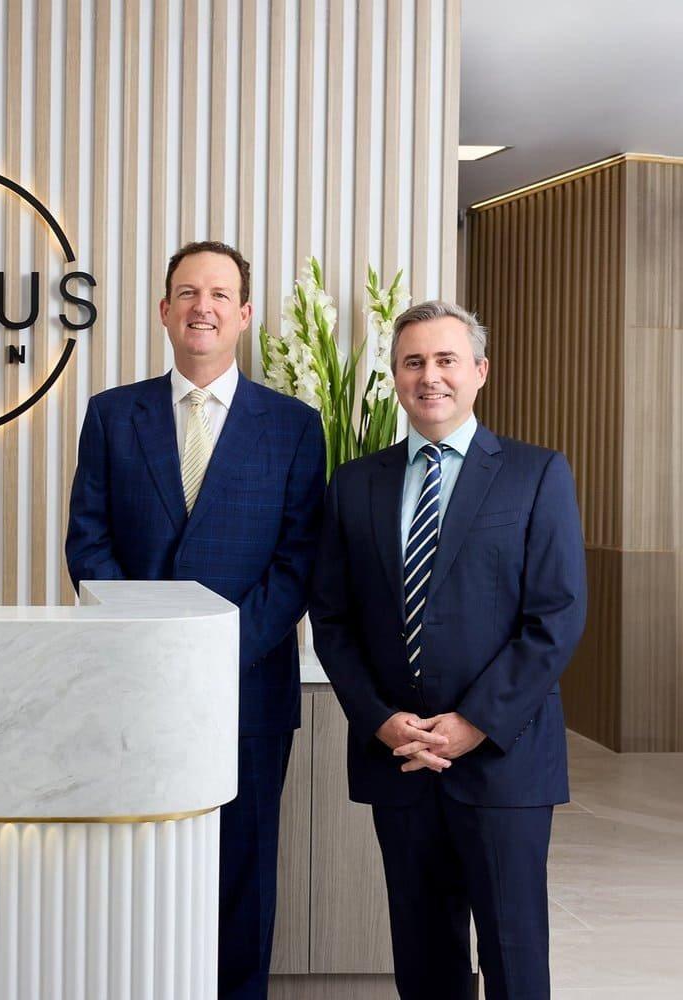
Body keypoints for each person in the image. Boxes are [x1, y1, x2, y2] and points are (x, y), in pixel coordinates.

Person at [66, 241, 325, 998]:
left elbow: (298, 561)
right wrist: (153, 651)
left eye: (218, 294)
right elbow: (89, 545)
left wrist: (211, 652)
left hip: (247, 689)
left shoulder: (293, 426)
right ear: (163, 311)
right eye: (186, 292)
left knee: (243, 874)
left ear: (244, 314)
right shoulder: (114, 415)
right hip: (133, 688)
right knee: (138, 867)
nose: (201, 306)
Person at [309, 300, 587, 1000]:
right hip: (398, 760)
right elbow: (333, 620)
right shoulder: (354, 485)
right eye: (412, 362)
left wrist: (472, 725)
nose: (429, 376)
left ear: (479, 371)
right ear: (395, 377)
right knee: (424, 957)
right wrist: (379, 718)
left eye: (445, 360)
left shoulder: (535, 473)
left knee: (514, 955)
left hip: (504, 760)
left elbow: (555, 615)